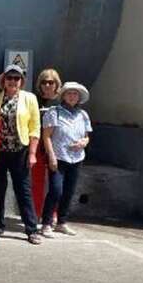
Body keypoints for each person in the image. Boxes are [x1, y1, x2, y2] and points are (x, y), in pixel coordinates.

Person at [0, 64, 42, 245]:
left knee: (23, 190)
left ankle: (31, 229)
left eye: (16, 78)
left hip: (20, 150)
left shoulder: (29, 98)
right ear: (3, 80)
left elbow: (35, 128)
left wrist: (33, 153)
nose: (12, 81)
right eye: (9, 78)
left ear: (21, 81)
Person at [40, 82, 91, 238]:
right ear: (63, 95)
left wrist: (84, 142)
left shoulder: (83, 115)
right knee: (56, 190)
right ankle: (46, 223)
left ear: (79, 97)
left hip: (76, 159)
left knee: (69, 191)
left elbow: (87, 136)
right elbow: (46, 136)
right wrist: (51, 156)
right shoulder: (54, 112)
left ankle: (62, 222)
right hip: (59, 157)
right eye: (69, 93)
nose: (72, 96)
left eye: (75, 94)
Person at [33, 68, 62, 217]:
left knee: (56, 184)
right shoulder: (35, 100)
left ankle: (54, 214)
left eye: (51, 82)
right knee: (37, 182)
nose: (47, 85)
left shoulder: (62, 102)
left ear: (56, 84)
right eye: (44, 82)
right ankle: (37, 213)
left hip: (57, 146)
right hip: (38, 146)